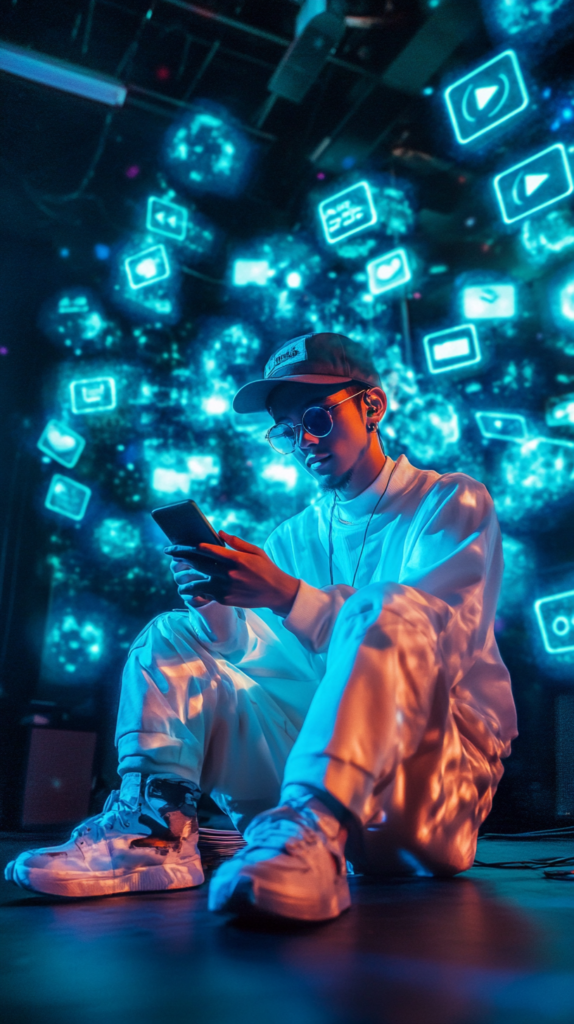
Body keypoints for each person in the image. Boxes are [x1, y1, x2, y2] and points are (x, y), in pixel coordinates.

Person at [6, 332, 517, 921]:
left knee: (385, 607)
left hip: (427, 796)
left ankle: (312, 827)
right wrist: (218, 606)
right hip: (303, 796)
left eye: (318, 419)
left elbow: (434, 650)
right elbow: (265, 665)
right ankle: (154, 833)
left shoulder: (450, 503)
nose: (303, 442)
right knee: (172, 633)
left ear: (372, 407)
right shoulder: (293, 536)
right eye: (286, 430)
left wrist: (285, 593)